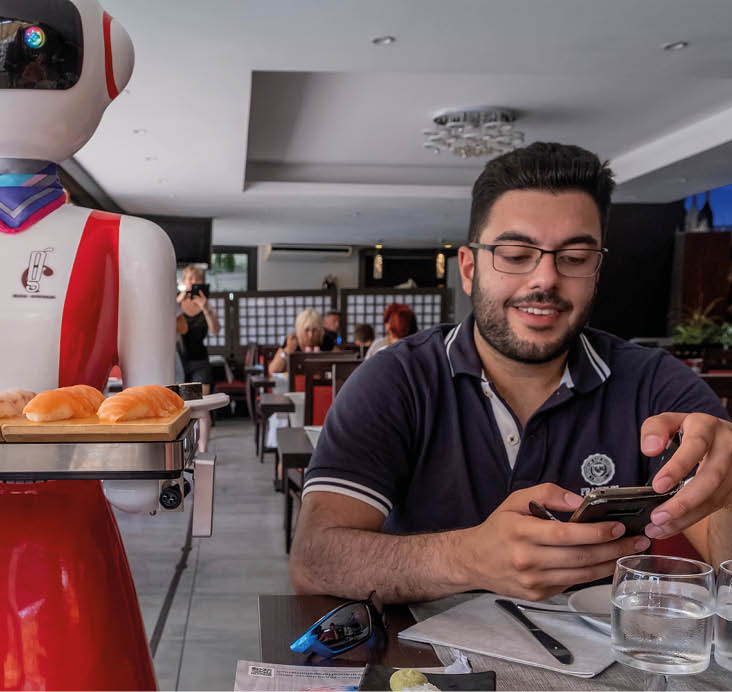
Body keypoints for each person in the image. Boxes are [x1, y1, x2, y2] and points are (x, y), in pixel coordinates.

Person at [290, 142, 732, 605]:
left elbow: (723, 561)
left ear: (596, 271)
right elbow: (316, 559)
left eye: (575, 258)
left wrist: (728, 489)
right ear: (469, 267)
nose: (545, 280)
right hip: (423, 671)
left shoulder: (655, 385)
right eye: (517, 254)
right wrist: (470, 556)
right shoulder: (397, 381)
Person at [177, 264, 220, 452]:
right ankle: (181, 447)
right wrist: (177, 301)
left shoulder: (206, 306)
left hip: (200, 361)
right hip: (178, 361)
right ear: (184, 282)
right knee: (179, 408)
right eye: (190, 279)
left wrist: (205, 308)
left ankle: (202, 449)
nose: (194, 283)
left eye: (198, 279)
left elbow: (216, 330)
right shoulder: (175, 304)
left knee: (202, 408)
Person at [269, 308, 324, 375]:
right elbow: (273, 371)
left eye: (314, 330)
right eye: (307, 330)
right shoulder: (292, 341)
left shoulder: (325, 341)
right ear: (299, 330)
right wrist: (287, 351)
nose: (310, 335)